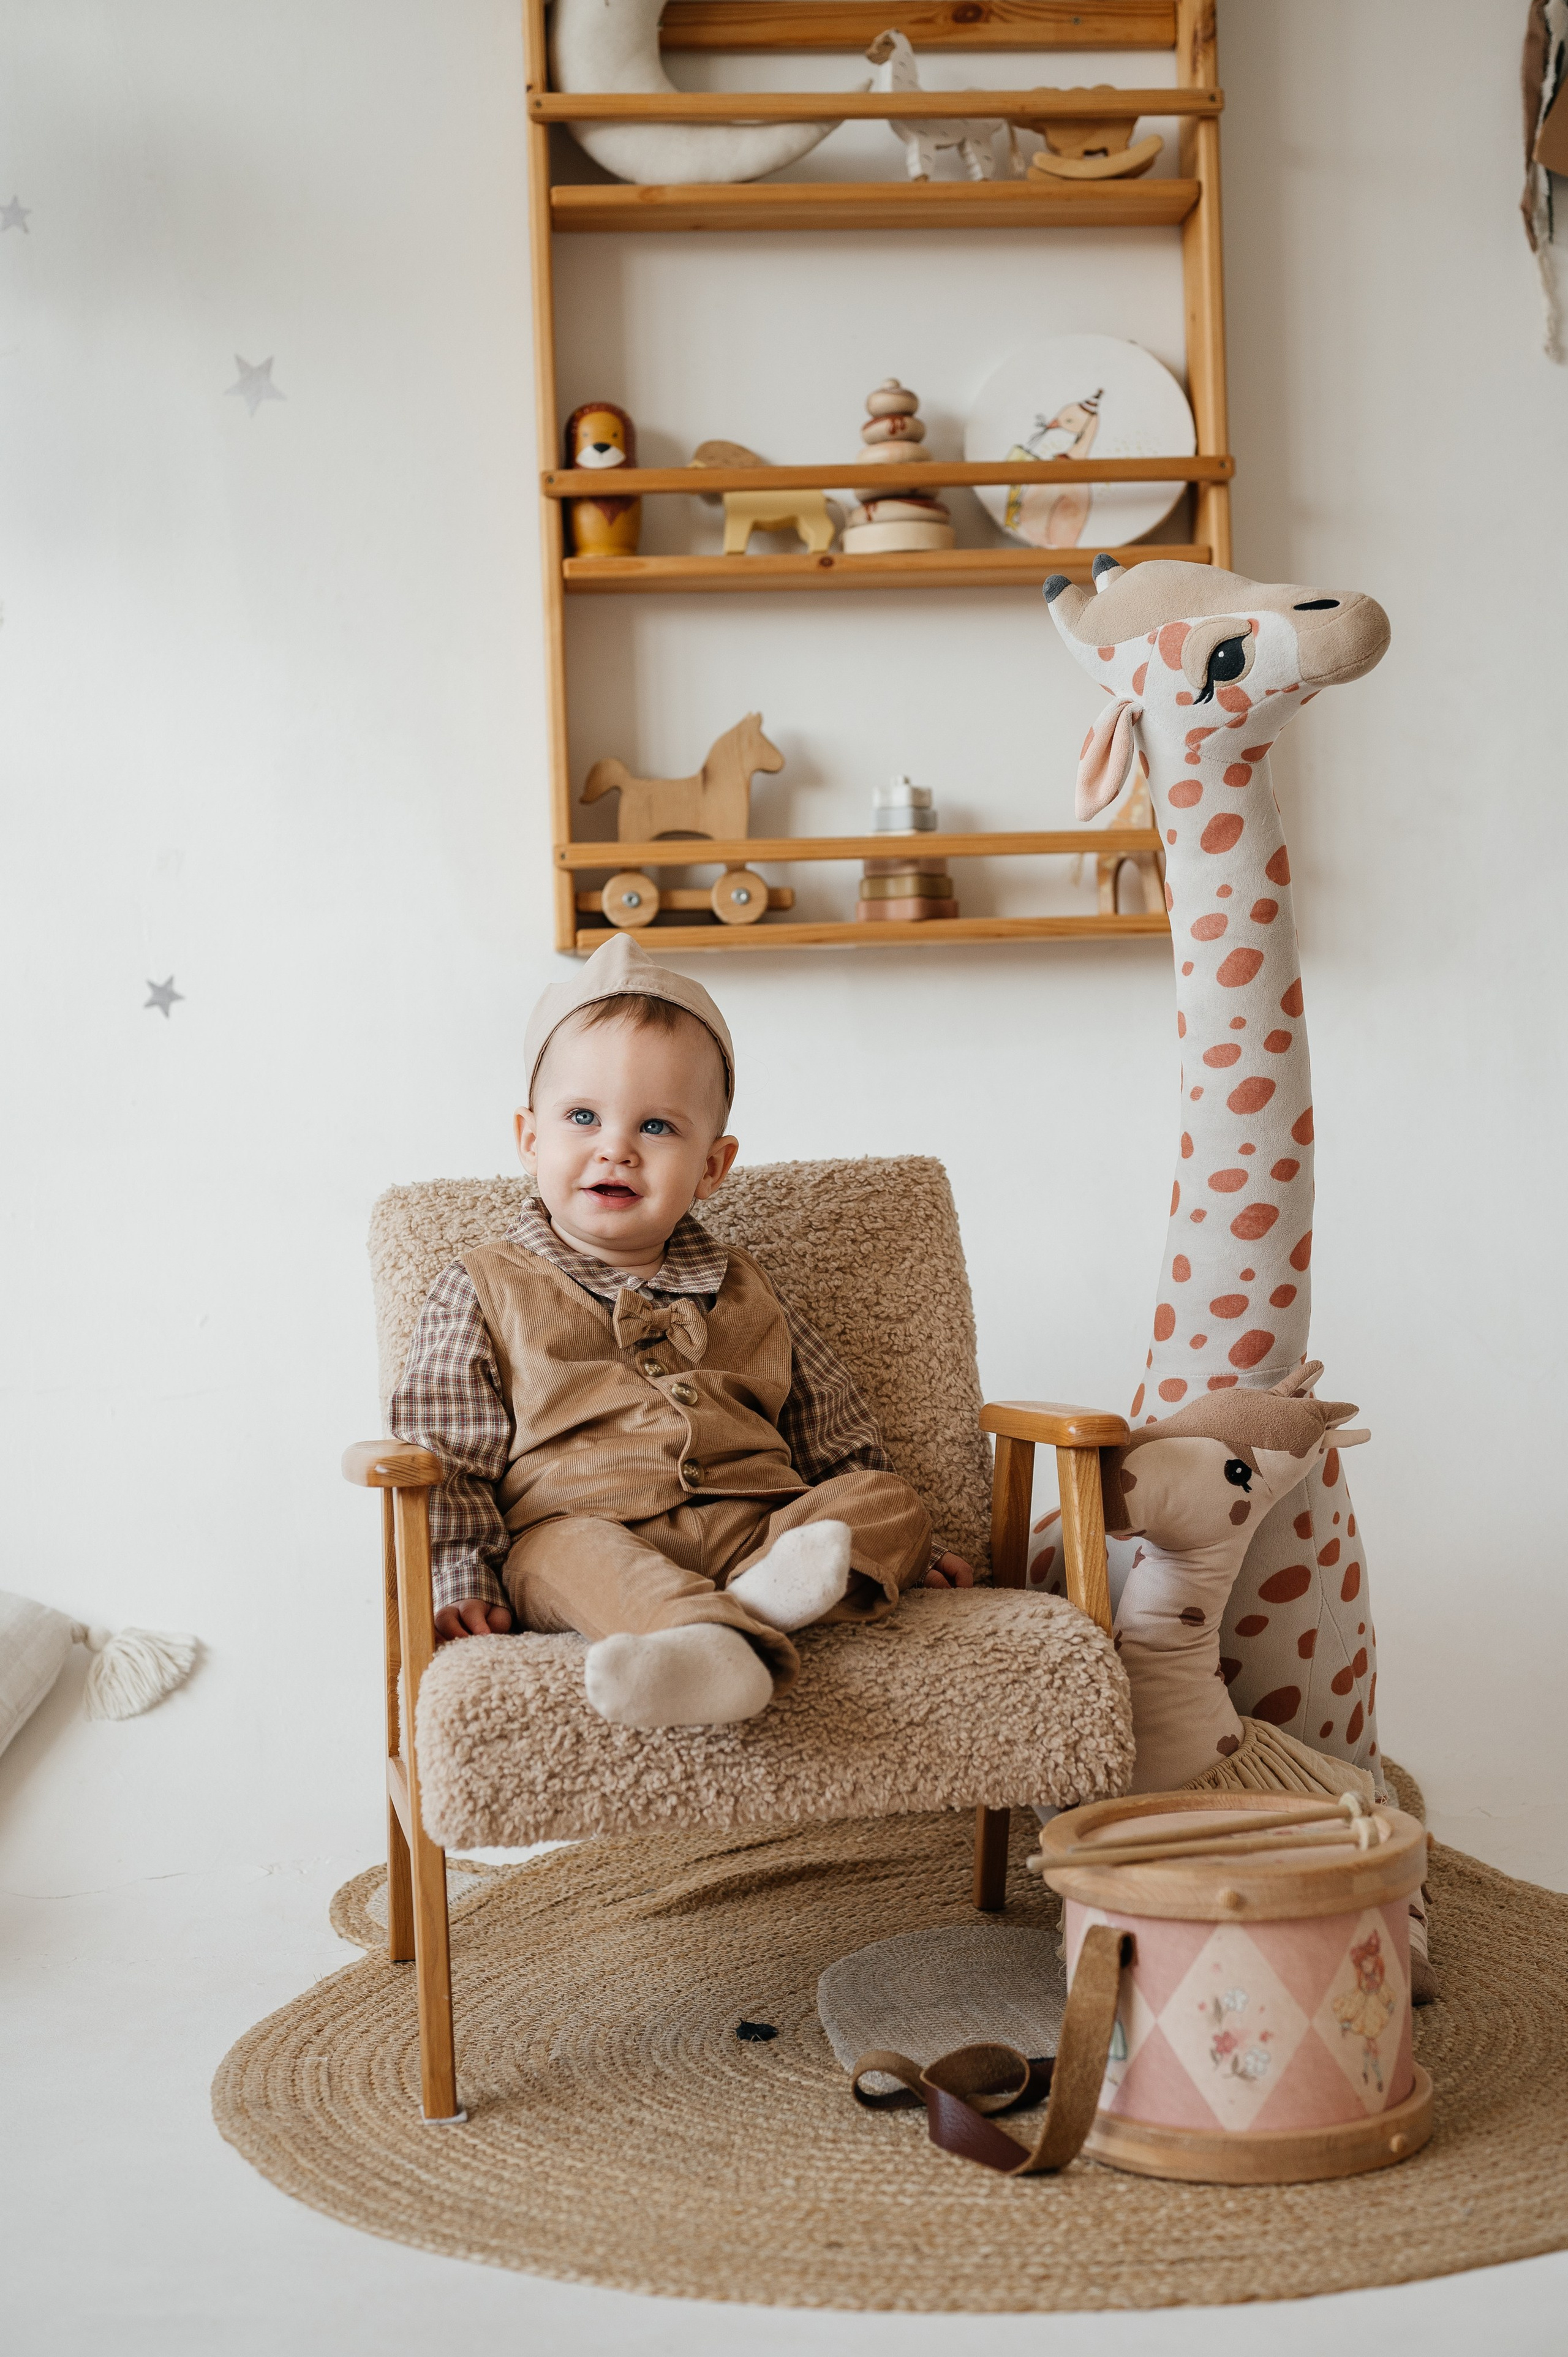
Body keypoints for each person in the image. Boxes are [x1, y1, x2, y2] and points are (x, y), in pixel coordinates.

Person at [391, 933, 973, 1729]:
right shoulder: (482, 1287)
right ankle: (704, 1639)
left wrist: (894, 1545)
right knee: (564, 1557)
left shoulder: (748, 1286)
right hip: (583, 1530)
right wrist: (457, 1578)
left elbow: (838, 1437)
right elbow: (446, 1461)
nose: (616, 1148)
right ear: (531, 1139)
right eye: (583, 1117)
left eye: (658, 1127)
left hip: (756, 1528)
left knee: (887, 1499)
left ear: (712, 1166)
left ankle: (765, 1599)